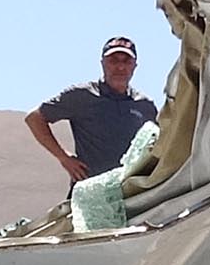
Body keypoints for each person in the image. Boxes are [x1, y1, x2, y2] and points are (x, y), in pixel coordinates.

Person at [25, 34, 158, 184]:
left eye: (126, 61)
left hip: (130, 193)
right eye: (113, 60)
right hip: (90, 193)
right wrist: (64, 157)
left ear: (135, 66)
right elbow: (34, 118)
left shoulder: (145, 106)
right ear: (103, 63)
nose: (120, 67)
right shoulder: (82, 95)